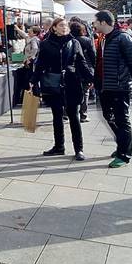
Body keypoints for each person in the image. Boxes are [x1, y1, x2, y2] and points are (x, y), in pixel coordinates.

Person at [30, 18, 94, 161]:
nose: (64, 27)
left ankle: (79, 149)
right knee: (57, 117)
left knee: (74, 117)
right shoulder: (45, 44)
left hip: (72, 82)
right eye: (61, 25)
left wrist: (90, 78)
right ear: (54, 28)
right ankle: (59, 146)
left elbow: (81, 62)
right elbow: (40, 65)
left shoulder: (74, 42)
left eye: (66, 25)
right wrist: (33, 81)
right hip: (53, 83)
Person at [92, 10, 132, 168]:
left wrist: (130, 83)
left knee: (122, 120)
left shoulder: (123, 38)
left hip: (120, 87)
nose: (93, 25)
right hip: (105, 86)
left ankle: (124, 155)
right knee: (108, 116)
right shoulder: (104, 38)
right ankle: (122, 146)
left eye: (95, 22)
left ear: (103, 22)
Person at [70, 21, 96, 123]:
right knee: (85, 92)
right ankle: (83, 115)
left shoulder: (69, 40)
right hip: (86, 68)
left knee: (71, 92)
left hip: (72, 69)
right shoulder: (87, 40)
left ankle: (66, 113)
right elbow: (93, 55)